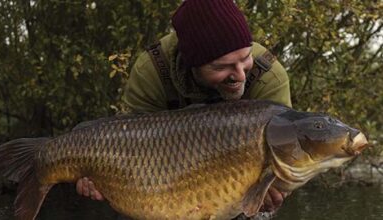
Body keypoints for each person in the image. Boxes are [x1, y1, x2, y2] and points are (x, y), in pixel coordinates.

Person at [76, 0, 291, 216]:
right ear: (193, 65)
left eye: (245, 58)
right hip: (165, 180)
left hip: (239, 184)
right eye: (221, 67)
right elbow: (132, 150)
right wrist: (101, 176)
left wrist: (273, 190)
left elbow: (287, 155)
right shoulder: (151, 71)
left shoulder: (269, 76)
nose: (241, 74)